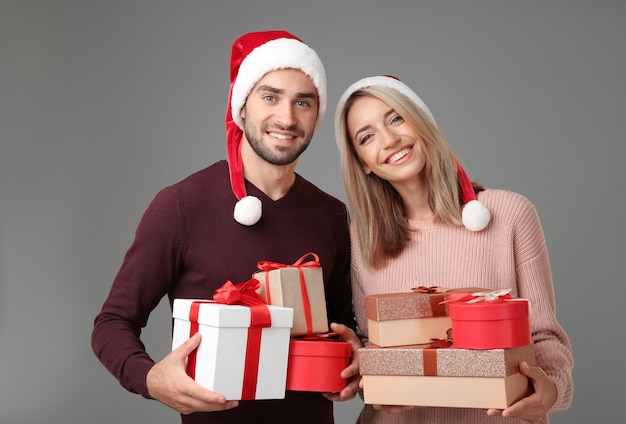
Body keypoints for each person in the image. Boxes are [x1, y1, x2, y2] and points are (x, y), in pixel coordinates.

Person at [91, 30, 361, 424]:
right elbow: (113, 322)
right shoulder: (181, 205)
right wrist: (149, 377)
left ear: (315, 116)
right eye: (270, 97)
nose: (286, 118)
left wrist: (351, 355)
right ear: (242, 106)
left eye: (302, 102)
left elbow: (341, 325)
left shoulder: (332, 215)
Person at [334, 75, 574, 424]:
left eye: (396, 118)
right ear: (364, 163)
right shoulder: (361, 237)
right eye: (367, 136)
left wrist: (550, 391)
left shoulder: (508, 215)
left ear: (422, 122)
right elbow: (373, 347)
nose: (389, 140)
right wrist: (371, 384)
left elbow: (543, 336)